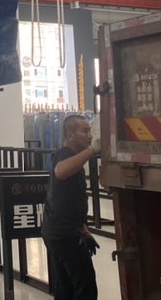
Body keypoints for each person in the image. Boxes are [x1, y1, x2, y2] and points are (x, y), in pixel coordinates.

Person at [41, 114, 100, 300]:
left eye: (90, 131)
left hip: (60, 231)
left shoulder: (72, 158)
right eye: (85, 131)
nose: (90, 135)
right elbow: (61, 171)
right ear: (70, 135)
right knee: (86, 289)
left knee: (66, 289)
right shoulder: (65, 154)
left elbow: (69, 200)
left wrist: (83, 228)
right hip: (65, 235)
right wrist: (92, 150)